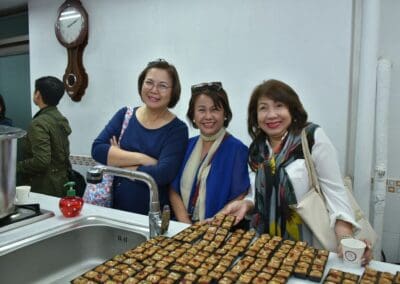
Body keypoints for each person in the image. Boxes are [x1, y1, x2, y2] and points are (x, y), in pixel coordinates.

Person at [221, 79, 372, 264]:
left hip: (308, 245)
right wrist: (246, 204)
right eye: (263, 108)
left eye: (279, 106)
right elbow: (257, 192)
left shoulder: (311, 138)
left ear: (292, 109)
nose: (271, 114)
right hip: (263, 246)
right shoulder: (257, 149)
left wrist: (346, 239)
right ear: (255, 115)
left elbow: (335, 193)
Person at [92, 59, 188, 215]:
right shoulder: (125, 115)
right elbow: (98, 149)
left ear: (173, 91)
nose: (154, 90)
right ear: (141, 84)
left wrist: (119, 160)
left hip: (153, 217)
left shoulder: (177, 129)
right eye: (149, 82)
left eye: (162, 86)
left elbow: (163, 174)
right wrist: (143, 159)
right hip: (115, 211)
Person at [169, 82, 250, 223]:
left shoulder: (238, 150)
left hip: (220, 232)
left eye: (215, 109)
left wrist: (212, 226)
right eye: (201, 110)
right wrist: (187, 227)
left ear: (225, 114)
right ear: (193, 115)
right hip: (181, 228)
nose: (208, 116)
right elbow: (173, 190)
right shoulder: (186, 145)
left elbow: (240, 195)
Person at [17, 76, 72, 197]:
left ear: (38, 94)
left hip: (44, 187)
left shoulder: (38, 123)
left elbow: (42, 161)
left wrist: (17, 167)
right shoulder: (59, 117)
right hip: (63, 182)